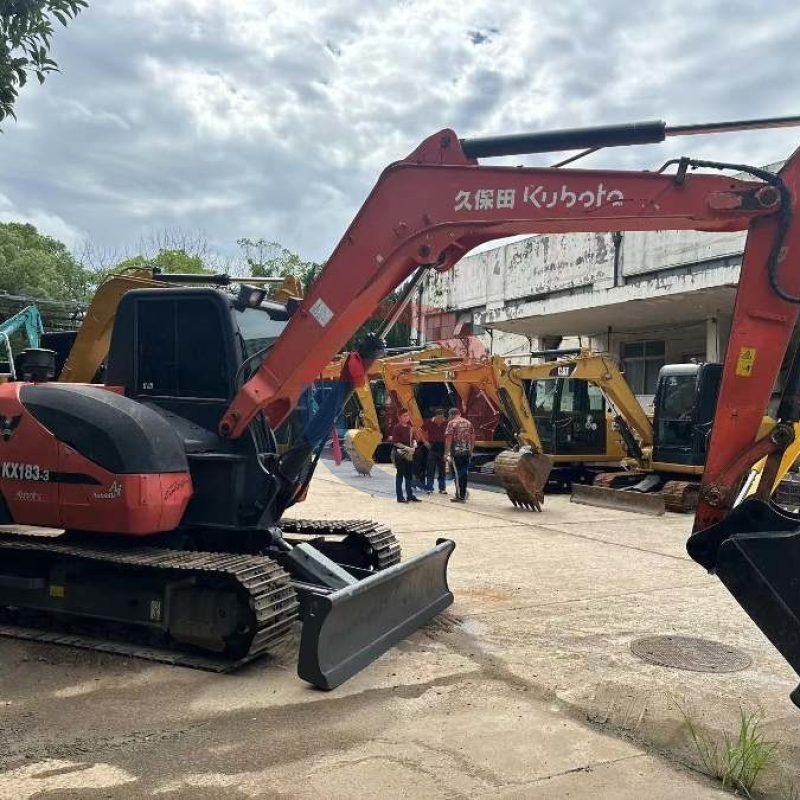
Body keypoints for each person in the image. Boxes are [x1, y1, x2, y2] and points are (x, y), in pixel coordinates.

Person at [390, 408, 422, 503]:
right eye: (404, 416)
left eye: (408, 415)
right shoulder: (396, 428)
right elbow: (396, 443)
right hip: (400, 453)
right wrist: (406, 448)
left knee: (409, 474)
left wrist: (414, 444)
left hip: (409, 453)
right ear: (399, 417)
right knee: (400, 474)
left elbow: (413, 439)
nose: (407, 417)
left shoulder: (410, 428)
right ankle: (400, 497)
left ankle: (410, 495)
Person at [444, 406, 475, 503]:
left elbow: (449, 439)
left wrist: (446, 453)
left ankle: (460, 496)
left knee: (457, 474)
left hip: (456, 453)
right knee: (464, 474)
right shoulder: (468, 422)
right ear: (459, 413)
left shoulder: (451, 423)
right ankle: (463, 493)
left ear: (451, 415)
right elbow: (472, 437)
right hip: (466, 451)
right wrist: (471, 450)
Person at [423, 407, 448, 494]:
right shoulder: (429, 422)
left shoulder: (446, 422)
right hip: (432, 448)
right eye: (439, 418)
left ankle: (442, 488)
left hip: (442, 448)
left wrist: (447, 452)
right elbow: (420, 430)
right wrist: (425, 441)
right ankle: (429, 488)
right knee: (431, 469)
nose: (441, 421)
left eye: (442, 418)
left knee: (442, 469)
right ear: (436, 416)